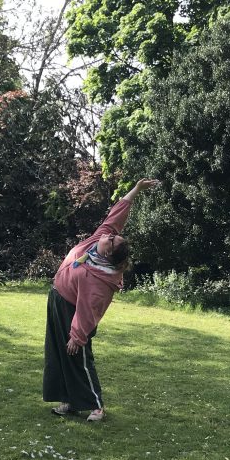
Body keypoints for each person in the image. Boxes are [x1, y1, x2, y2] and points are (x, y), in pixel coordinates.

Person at [43, 178, 160, 421]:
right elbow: (115, 216)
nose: (108, 235)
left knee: (77, 355)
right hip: (56, 298)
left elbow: (89, 309)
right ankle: (69, 402)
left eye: (111, 239)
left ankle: (96, 406)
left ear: (109, 252)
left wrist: (77, 336)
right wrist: (136, 190)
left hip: (70, 309)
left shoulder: (101, 280)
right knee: (58, 353)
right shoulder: (97, 241)